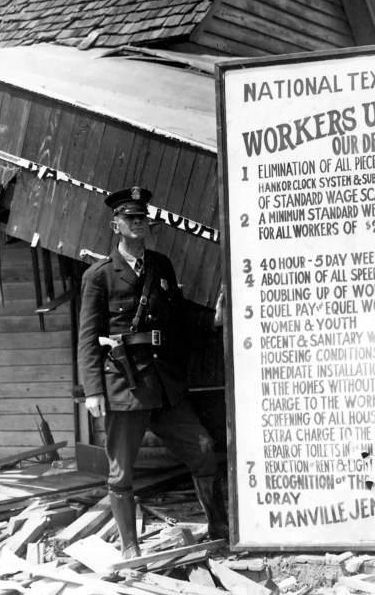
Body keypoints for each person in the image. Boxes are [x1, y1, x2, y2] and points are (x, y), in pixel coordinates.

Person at [77, 186, 228, 558]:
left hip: (163, 387)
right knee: (121, 472)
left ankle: (219, 529)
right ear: (115, 225)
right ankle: (130, 547)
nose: (138, 223)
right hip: (125, 385)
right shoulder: (99, 275)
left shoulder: (160, 266)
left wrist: (213, 319)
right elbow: (87, 337)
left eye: (142, 217)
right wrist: (93, 390)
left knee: (203, 450)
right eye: (130, 218)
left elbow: (177, 312)